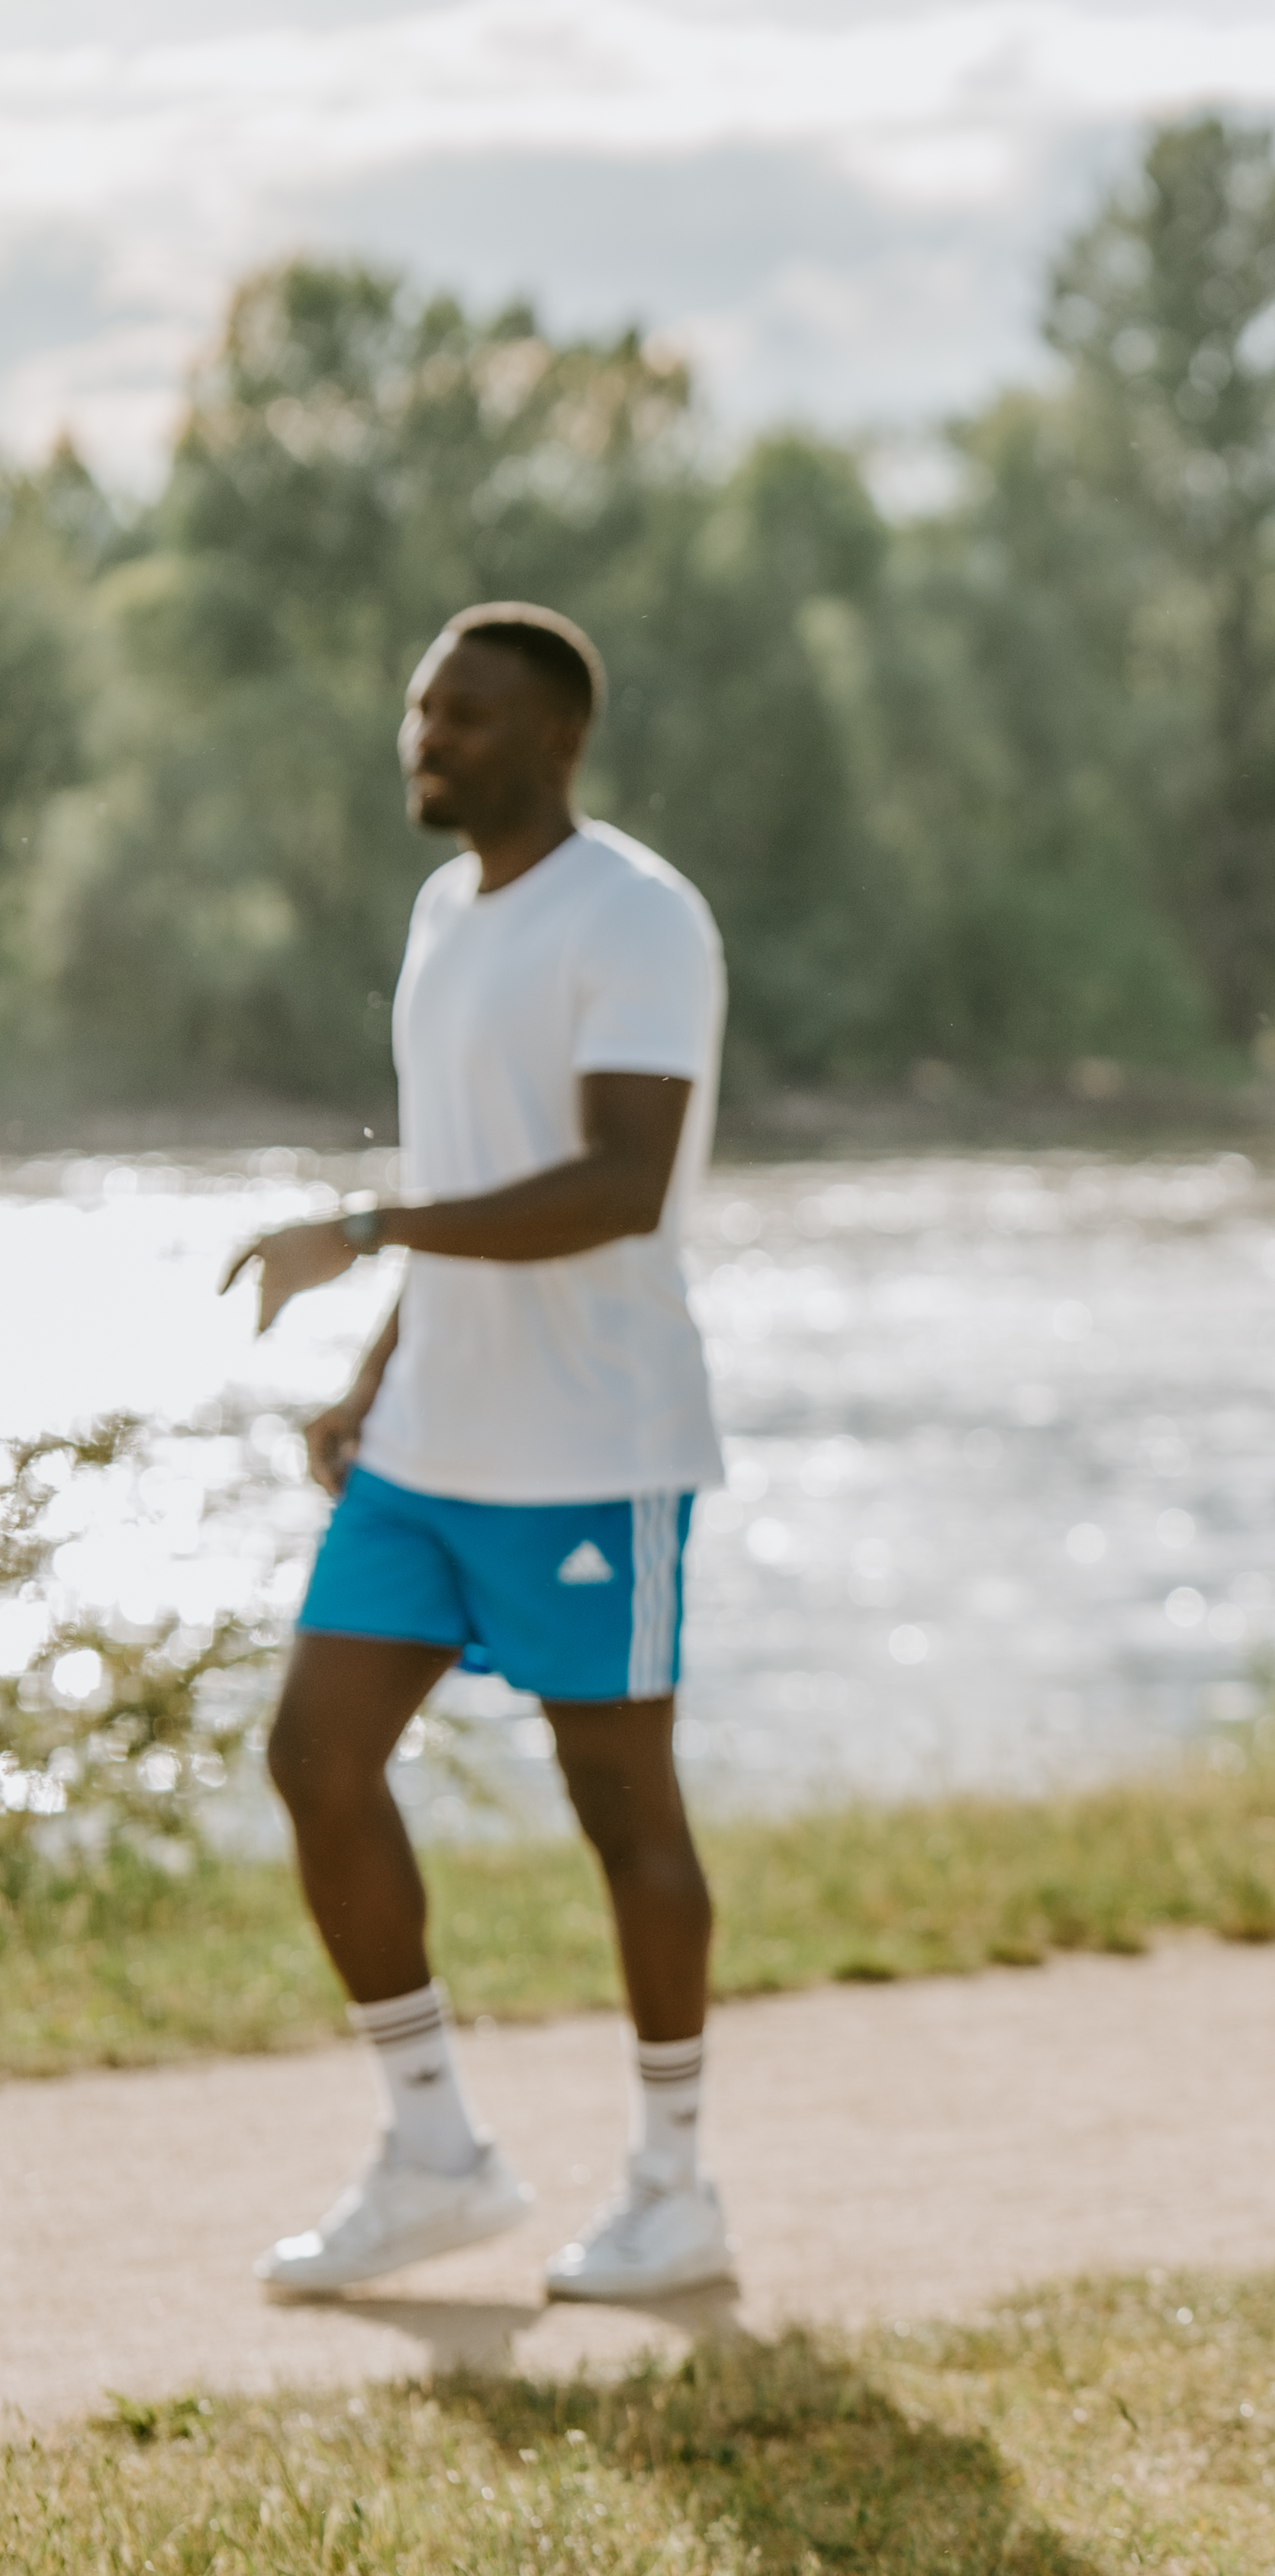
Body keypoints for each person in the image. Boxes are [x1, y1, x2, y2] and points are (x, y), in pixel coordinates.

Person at [222, 600, 736, 2313]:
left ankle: (673, 2186)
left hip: (595, 1448)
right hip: (433, 1447)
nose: (424, 736)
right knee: (316, 1752)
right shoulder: (445, 912)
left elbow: (614, 1186)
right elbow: (477, 1157)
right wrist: (381, 1369)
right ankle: (435, 2150)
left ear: (558, 737)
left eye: (467, 713)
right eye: (421, 707)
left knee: (620, 1809)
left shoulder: (640, 917)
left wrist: (362, 1229)